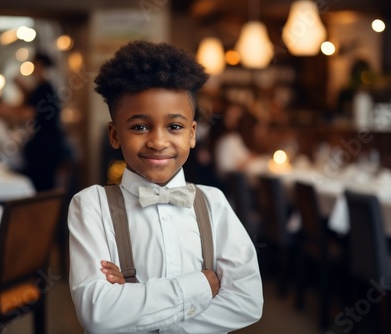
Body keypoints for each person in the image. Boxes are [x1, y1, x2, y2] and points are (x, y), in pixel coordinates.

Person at [68, 40, 263, 334]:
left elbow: (248, 302)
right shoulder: (91, 205)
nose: (158, 142)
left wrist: (132, 307)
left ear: (192, 133)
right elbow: (98, 314)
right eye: (140, 127)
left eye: (174, 127)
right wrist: (202, 285)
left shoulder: (214, 203)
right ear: (114, 135)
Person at [14, 52, 65, 191]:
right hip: (47, 147)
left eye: (34, 64)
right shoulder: (45, 88)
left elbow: (30, 113)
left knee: (42, 188)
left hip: (44, 149)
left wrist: (7, 111)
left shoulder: (44, 88)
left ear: (41, 65)